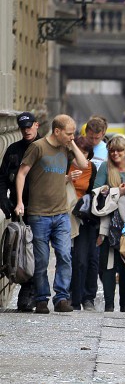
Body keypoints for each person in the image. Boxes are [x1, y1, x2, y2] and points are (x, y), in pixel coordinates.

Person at [15, 114, 88, 314]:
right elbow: (22, 173)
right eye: (69, 133)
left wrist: (72, 145)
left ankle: (62, 297)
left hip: (62, 213)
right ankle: (41, 298)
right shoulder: (37, 147)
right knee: (41, 260)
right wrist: (21, 202)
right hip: (39, 214)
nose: (72, 136)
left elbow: (83, 164)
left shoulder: (66, 147)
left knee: (65, 255)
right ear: (57, 131)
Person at [0, 111, 40, 311]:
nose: (26, 130)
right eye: (23, 127)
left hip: (42, 209)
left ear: (36, 125)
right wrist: (5, 204)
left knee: (37, 253)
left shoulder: (45, 147)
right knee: (21, 252)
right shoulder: (13, 150)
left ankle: (35, 294)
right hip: (20, 208)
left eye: (29, 126)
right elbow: (1, 179)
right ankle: (27, 293)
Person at [94, 135, 125, 313]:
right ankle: (109, 304)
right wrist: (116, 192)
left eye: (119, 150)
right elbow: (97, 191)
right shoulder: (106, 167)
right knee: (108, 265)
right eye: (112, 151)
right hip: (109, 222)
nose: (115, 154)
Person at [68, 136, 99, 311]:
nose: (80, 155)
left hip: (83, 216)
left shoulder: (91, 168)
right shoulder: (66, 165)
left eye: (84, 152)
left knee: (85, 258)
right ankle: (71, 295)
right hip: (65, 213)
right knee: (68, 257)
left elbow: (91, 192)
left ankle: (85, 297)